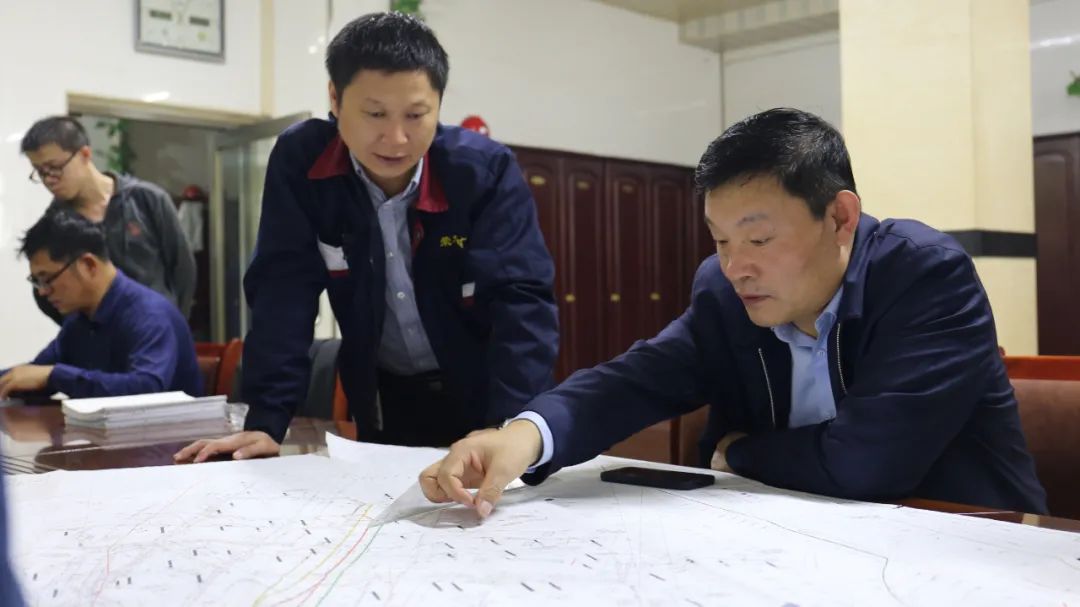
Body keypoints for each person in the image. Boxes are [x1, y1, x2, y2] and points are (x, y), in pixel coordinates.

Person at [418, 108, 1048, 519]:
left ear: (840, 218)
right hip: (804, 541)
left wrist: (738, 453)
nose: (735, 265)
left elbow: (868, 464)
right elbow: (637, 379)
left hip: (965, 539)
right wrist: (524, 435)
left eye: (759, 238)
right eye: (720, 240)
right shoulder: (724, 294)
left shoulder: (924, 277)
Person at [175, 12, 557, 462]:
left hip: (488, 393)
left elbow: (521, 303)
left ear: (439, 104)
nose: (396, 138)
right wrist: (266, 421)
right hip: (383, 397)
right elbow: (284, 290)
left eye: (416, 115)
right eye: (375, 114)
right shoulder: (303, 162)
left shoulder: (482, 173)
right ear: (335, 99)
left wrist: (510, 427)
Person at [0, 210, 203, 399]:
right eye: (37, 282)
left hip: (171, 427)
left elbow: (145, 388)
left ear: (88, 265)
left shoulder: (149, 315)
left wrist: (55, 376)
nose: (42, 292)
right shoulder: (79, 320)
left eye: (47, 279)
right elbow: (35, 375)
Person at [21, 116, 196, 322]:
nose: (49, 179)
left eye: (55, 167)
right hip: (101, 336)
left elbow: (183, 271)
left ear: (84, 154)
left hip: (156, 327)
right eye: (40, 171)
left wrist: (174, 326)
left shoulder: (146, 199)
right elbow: (44, 288)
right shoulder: (54, 224)